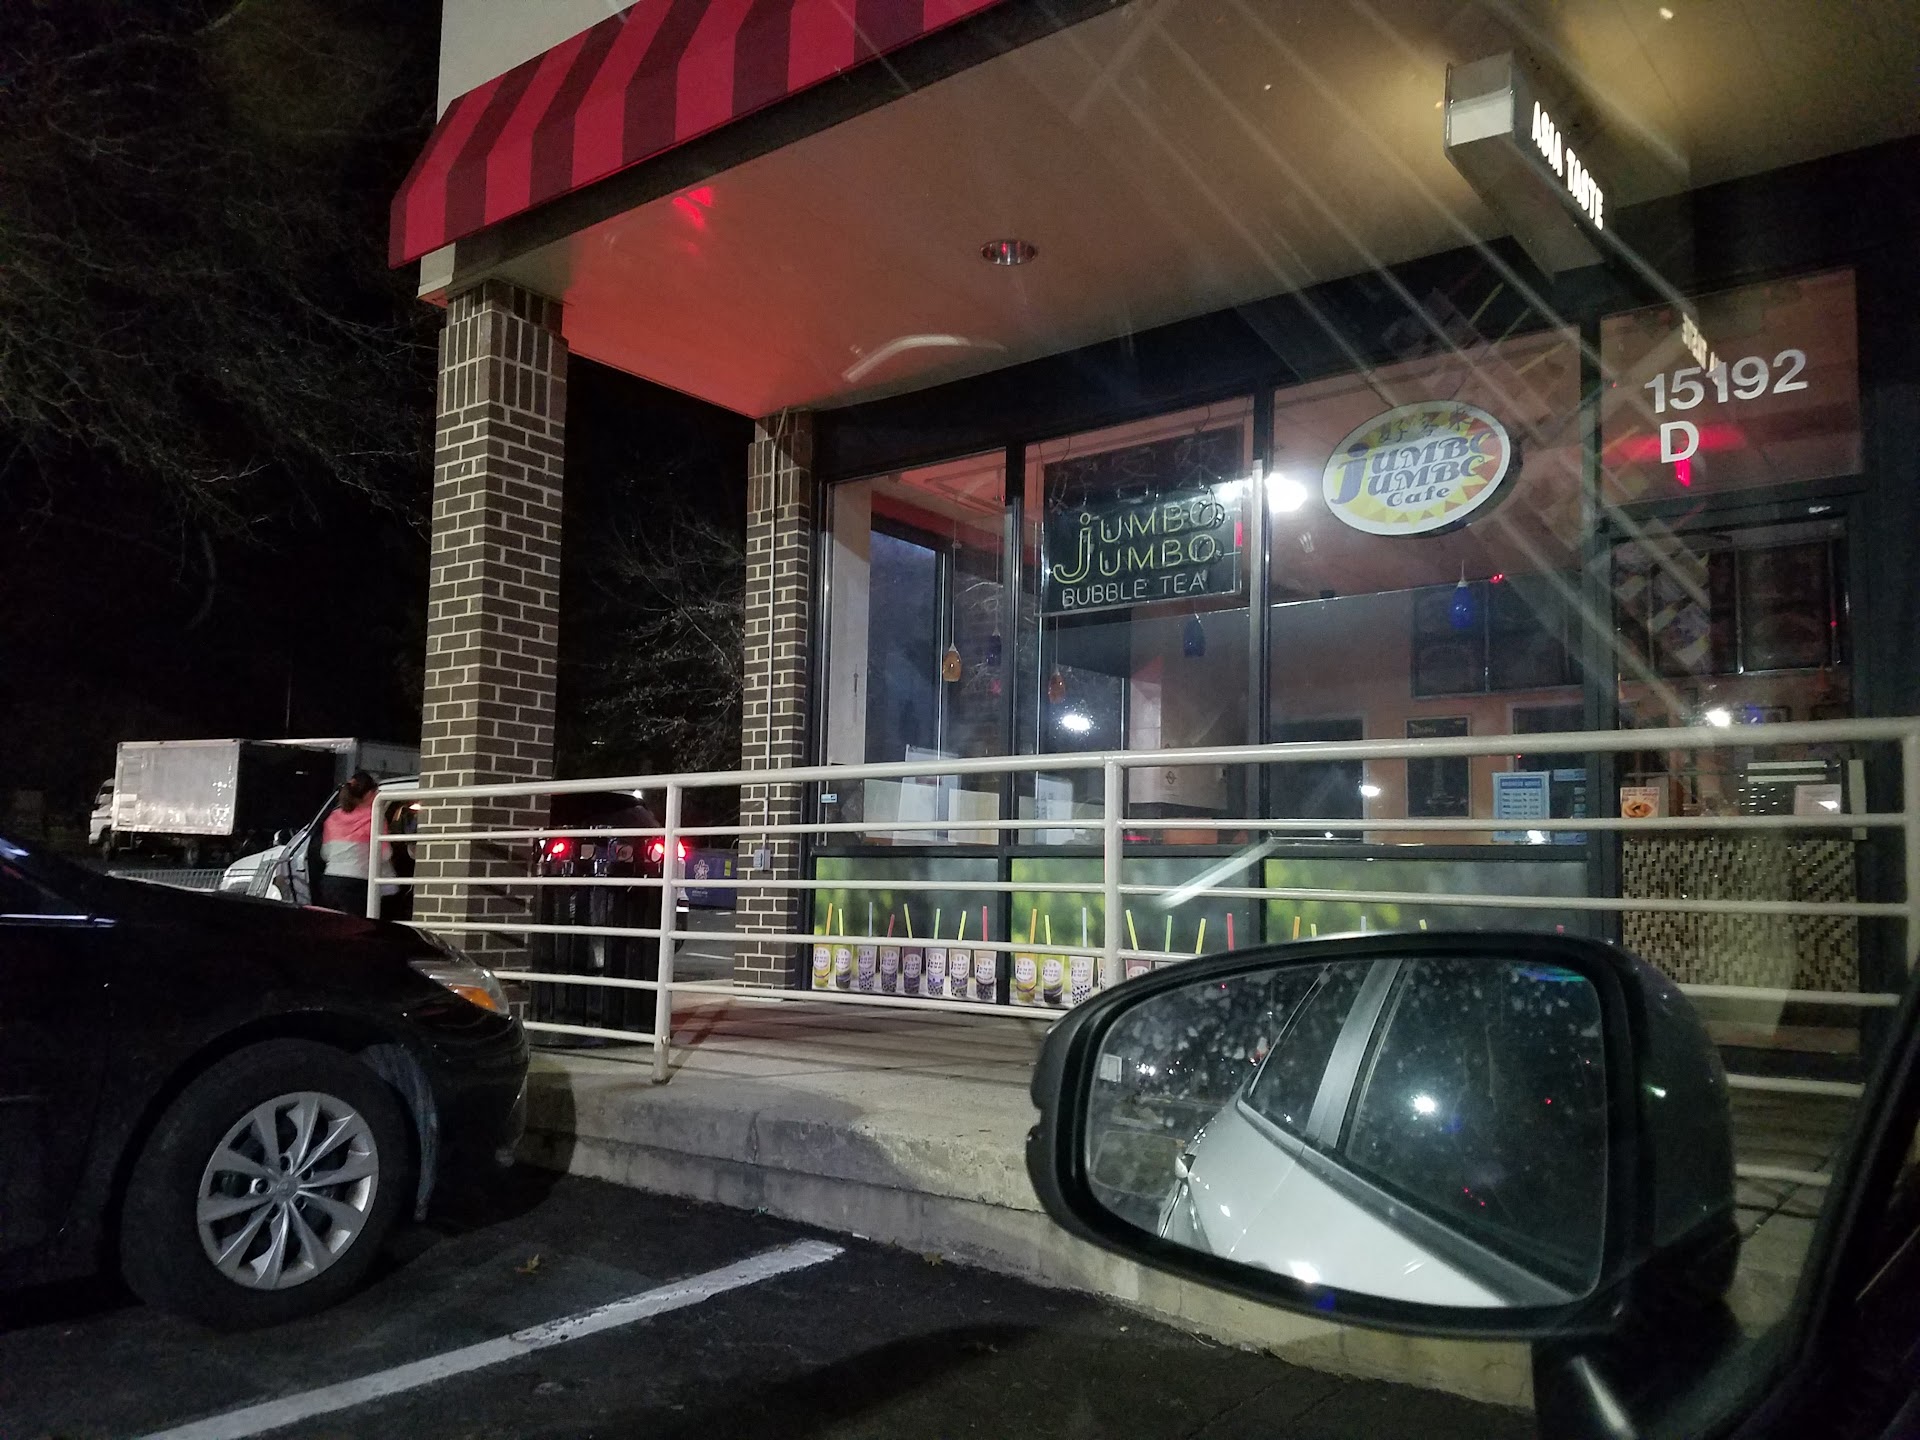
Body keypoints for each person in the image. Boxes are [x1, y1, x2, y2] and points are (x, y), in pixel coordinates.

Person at [316, 771, 386, 916]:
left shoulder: (333, 817)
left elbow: (325, 853)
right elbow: (385, 854)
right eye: (376, 792)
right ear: (369, 794)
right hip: (358, 882)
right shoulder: (374, 817)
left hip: (330, 881)